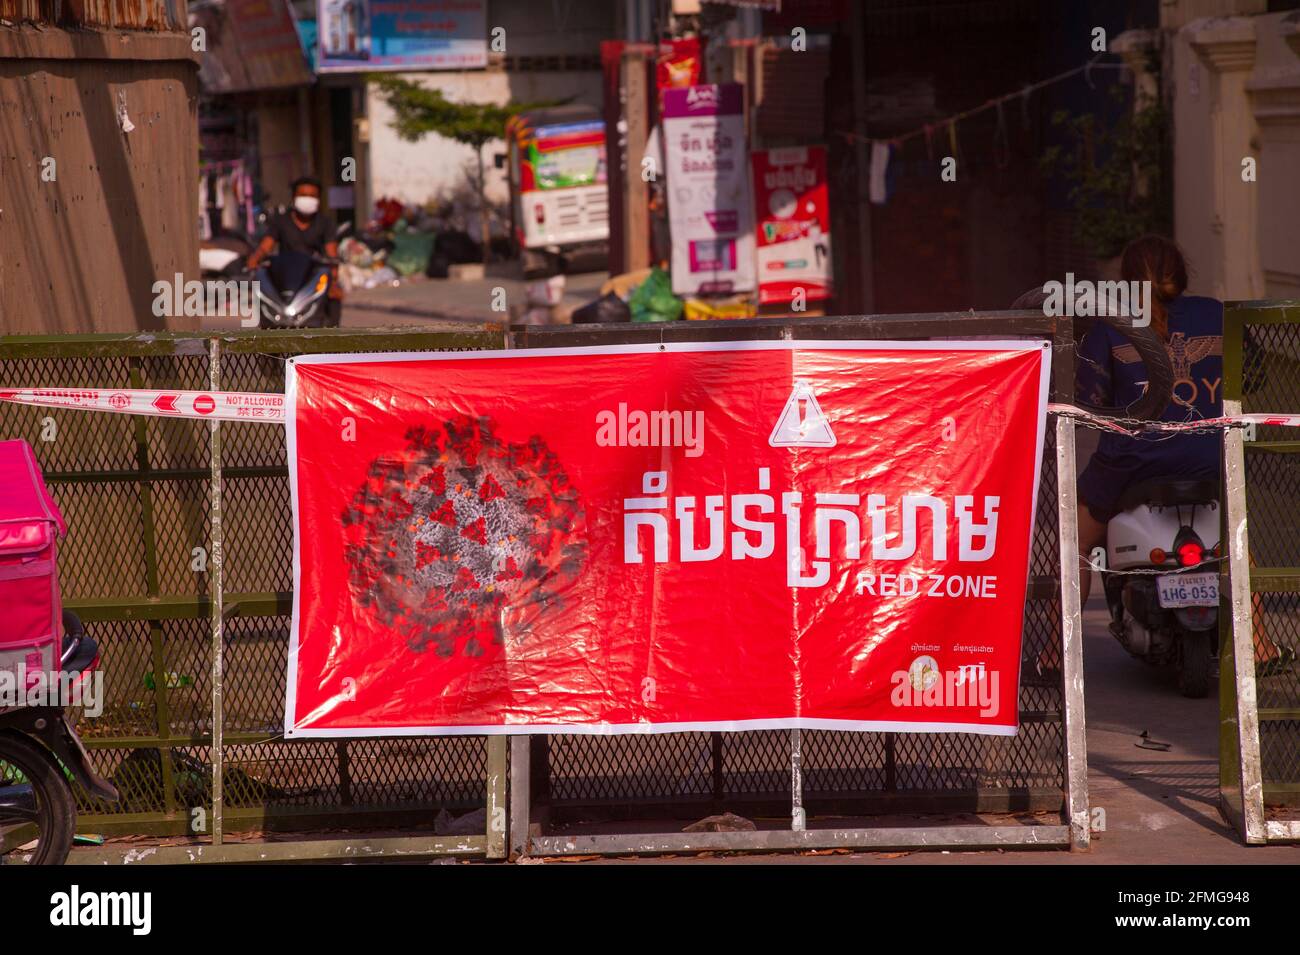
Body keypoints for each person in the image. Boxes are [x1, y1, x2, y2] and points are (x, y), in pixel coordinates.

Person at [1075, 234, 1291, 673]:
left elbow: (1090, 401)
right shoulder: (1216, 315)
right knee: (1235, 536)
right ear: (1182, 275)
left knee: (1074, 543)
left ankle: (1055, 653)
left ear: (1127, 282)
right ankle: (1262, 643)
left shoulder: (1110, 329)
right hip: (1211, 456)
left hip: (1131, 463)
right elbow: (1251, 376)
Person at [246, 176, 343, 326]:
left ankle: (333, 336)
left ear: (318, 199)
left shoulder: (325, 223)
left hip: (312, 274)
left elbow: (331, 252)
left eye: (312, 196)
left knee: (335, 294)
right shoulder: (281, 221)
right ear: (294, 197)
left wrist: (334, 277)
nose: (307, 199)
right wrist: (255, 258)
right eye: (303, 195)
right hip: (284, 273)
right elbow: (266, 246)